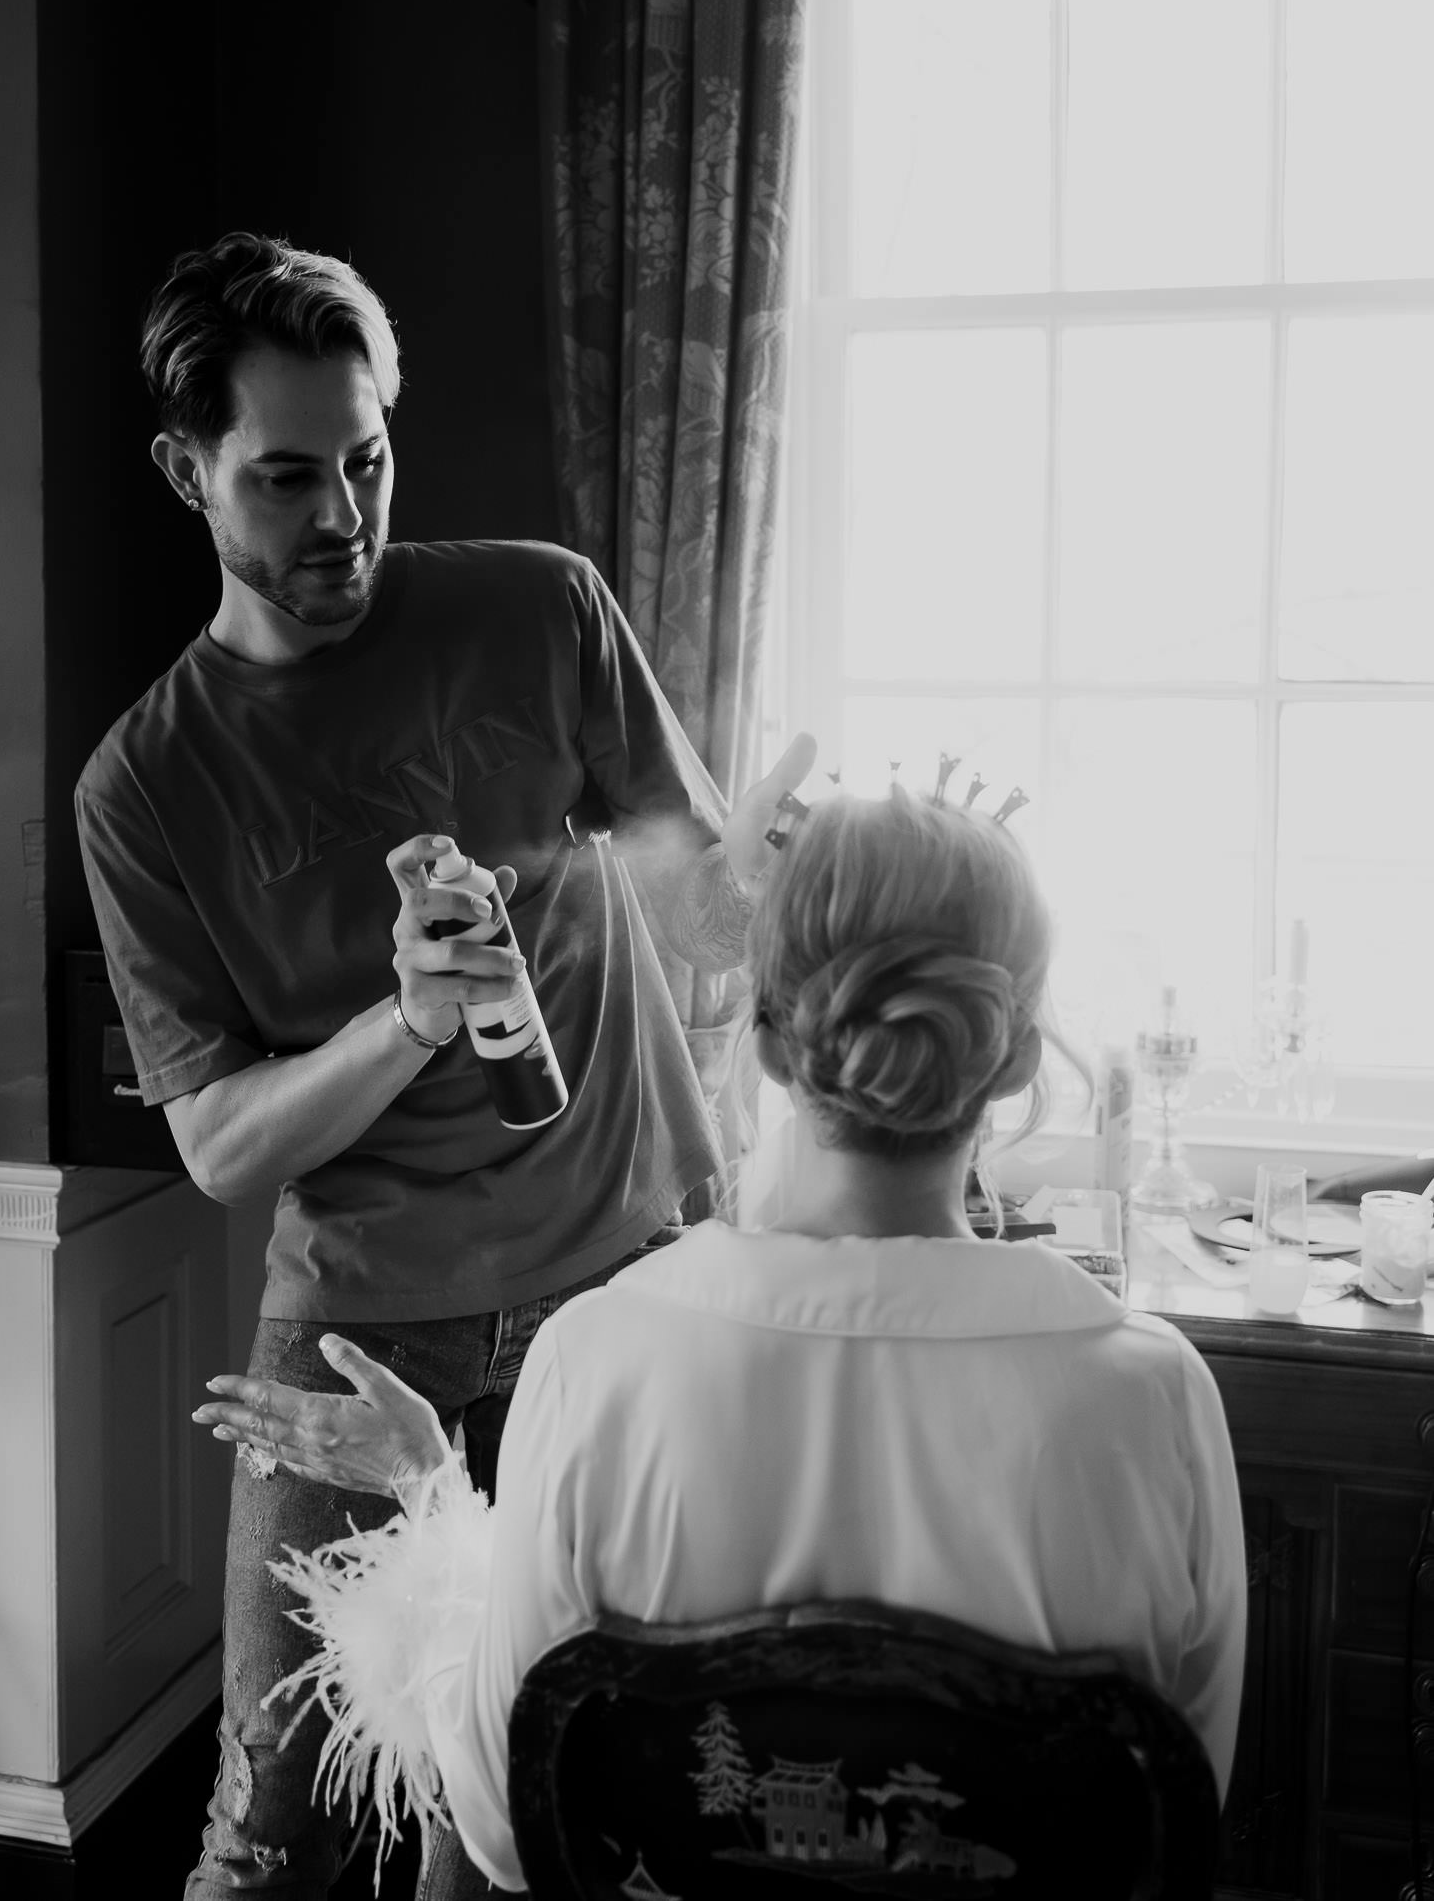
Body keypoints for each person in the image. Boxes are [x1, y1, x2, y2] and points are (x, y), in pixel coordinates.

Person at [74, 230, 812, 1899]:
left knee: (562, 1803)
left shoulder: (540, 604)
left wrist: (765, 877)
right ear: (184, 470)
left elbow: (705, 924)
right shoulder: (143, 786)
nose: (341, 514)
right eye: (286, 476)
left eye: (368, 460)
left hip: (626, 1283)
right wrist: (404, 1020)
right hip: (358, 1318)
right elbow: (219, 1145)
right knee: (276, 1822)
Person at [194, 785, 1249, 1894]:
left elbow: (507, 1825)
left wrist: (430, 1486)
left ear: (774, 1048)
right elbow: (1169, 1816)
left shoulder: (599, 1358)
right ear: (1018, 1056)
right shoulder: (1153, 1396)